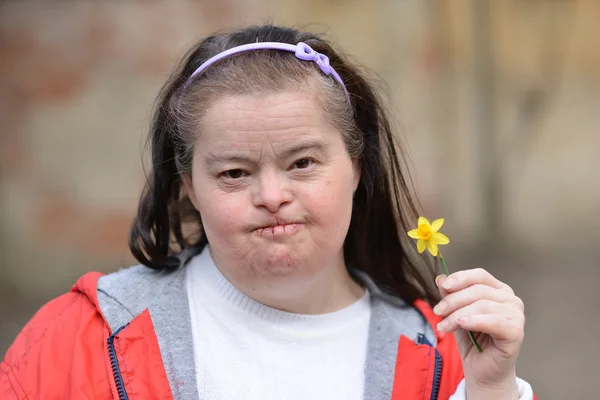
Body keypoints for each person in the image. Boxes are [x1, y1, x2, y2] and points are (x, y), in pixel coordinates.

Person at [1, 25, 535, 399]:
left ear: (356, 166)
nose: (272, 195)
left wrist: (491, 393)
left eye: (302, 162)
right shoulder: (81, 338)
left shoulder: (446, 357)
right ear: (189, 187)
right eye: (234, 173)